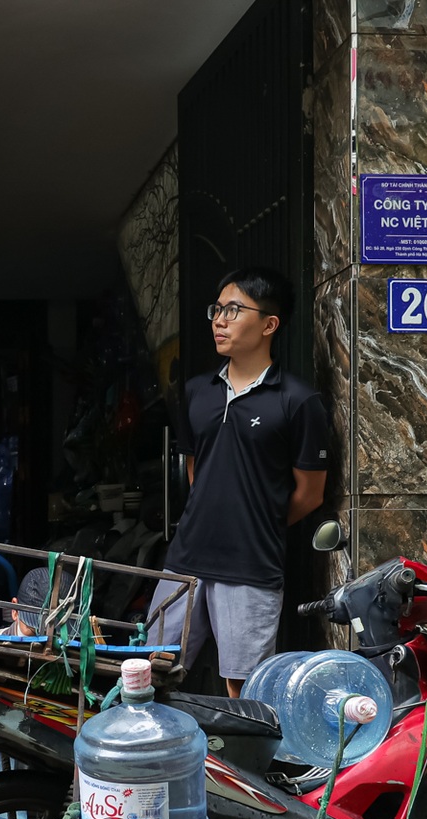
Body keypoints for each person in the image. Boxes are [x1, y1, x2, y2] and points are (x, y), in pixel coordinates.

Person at [148, 266, 329, 695]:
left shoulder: (299, 401)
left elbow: (310, 492)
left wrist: (255, 521)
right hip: (186, 557)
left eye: (233, 309)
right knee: (150, 672)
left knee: (243, 687)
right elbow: (196, 469)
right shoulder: (198, 392)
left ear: (269, 324)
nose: (218, 319)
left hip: (251, 564)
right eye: (217, 309)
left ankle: (246, 763)